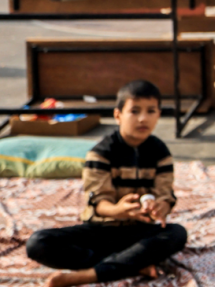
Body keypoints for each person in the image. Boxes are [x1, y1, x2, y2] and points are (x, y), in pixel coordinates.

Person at [26, 80, 187, 287]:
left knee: (176, 233)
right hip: (101, 231)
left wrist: (159, 208)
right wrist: (119, 210)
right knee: (38, 243)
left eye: (150, 111)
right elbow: (98, 204)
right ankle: (132, 264)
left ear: (158, 115)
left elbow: (165, 195)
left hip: (137, 232)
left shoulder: (160, 152)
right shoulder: (101, 153)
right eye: (134, 111)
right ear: (118, 115)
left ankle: (86, 275)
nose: (142, 118)